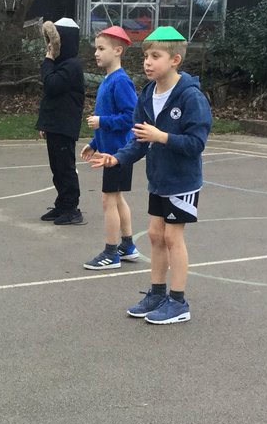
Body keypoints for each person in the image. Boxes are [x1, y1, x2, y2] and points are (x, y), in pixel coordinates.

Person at [90, 26, 211, 324]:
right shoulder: (147, 94)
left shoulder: (190, 96)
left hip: (182, 180)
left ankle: (179, 302)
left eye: (155, 56)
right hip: (159, 179)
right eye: (145, 55)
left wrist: (162, 136)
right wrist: (115, 158)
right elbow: (138, 141)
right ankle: (157, 294)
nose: (147, 62)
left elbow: (196, 144)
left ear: (175, 60)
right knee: (156, 235)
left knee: (172, 237)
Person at [80, 25, 140, 269]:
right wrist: (94, 143)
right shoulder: (108, 80)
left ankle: (111, 252)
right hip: (109, 151)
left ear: (118, 51)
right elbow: (111, 118)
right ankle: (128, 245)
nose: (97, 53)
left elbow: (131, 117)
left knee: (109, 200)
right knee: (116, 198)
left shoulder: (121, 82)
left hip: (118, 153)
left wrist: (102, 121)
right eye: (96, 49)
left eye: (102, 49)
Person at [36, 17, 85, 225]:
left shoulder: (71, 66)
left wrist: (47, 61)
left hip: (65, 125)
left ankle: (72, 207)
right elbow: (49, 98)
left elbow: (52, 85)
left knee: (65, 167)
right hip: (55, 124)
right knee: (56, 167)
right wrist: (44, 124)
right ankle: (61, 203)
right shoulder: (60, 64)